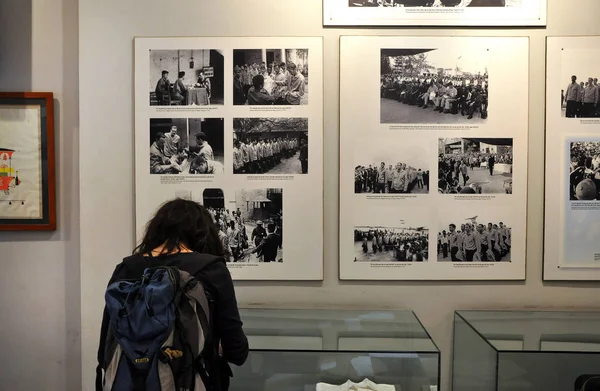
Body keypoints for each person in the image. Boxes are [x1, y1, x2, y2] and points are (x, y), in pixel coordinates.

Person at [96, 199, 249, 391]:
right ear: (204, 233)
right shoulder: (211, 269)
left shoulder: (126, 269)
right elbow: (236, 350)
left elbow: (105, 349)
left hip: (131, 381)